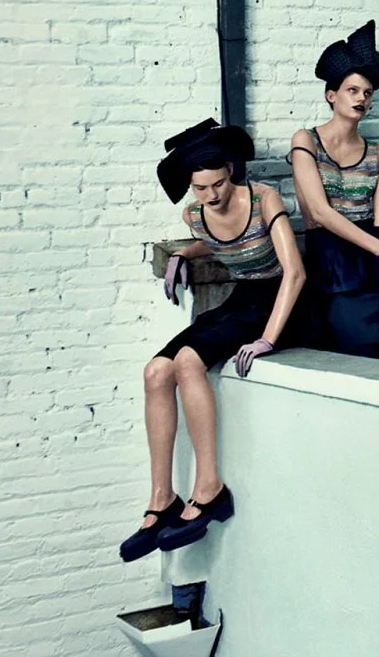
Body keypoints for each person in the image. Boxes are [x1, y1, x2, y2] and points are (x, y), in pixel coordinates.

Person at [119, 120, 311, 562]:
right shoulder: (193, 215)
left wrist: (267, 339)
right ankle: (161, 500)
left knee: (188, 361)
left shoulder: (263, 199)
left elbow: (295, 272)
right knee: (156, 371)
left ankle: (209, 488)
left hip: (283, 302)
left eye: (219, 184)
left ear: (230, 171)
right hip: (242, 299)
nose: (212, 196)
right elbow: (220, 239)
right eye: (200, 188)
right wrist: (184, 253)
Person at [289, 21, 379, 362]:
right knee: (350, 358)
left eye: (367, 93)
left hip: (374, 266)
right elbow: (320, 212)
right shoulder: (306, 141)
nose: (361, 98)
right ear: (331, 95)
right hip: (332, 264)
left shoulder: (377, 153)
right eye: (352, 90)